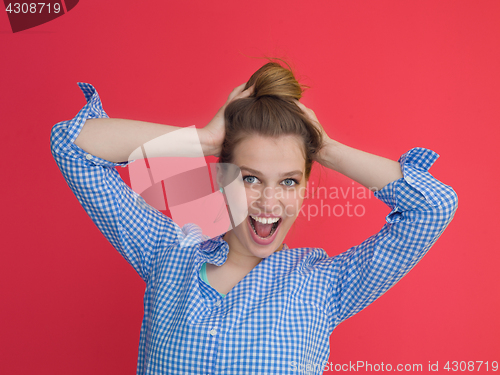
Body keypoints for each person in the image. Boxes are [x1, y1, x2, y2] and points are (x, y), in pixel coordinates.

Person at [50, 60, 458, 375]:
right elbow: (71, 145)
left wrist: (325, 147)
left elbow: (433, 205)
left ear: (304, 188)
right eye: (250, 178)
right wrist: (206, 138)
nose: (269, 201)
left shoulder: (324, 286)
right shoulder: (168, 252)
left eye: (288, 182)